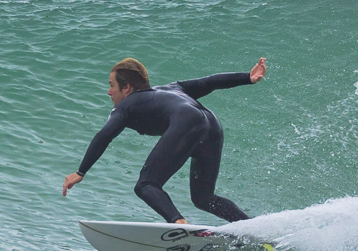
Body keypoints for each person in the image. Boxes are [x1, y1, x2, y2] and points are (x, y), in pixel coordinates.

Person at [62, 56, 267, 223]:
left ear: (127, 88)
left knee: (146, 185)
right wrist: (247, 77)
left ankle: (179, 224)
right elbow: (208, 83)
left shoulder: (125, 106)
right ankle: (252, 228)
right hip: (212, 125)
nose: (109, 92)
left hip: (187, 123)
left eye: (112, 85)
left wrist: (81, 171)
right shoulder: (171, 88)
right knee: (204, 199)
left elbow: (104, 135)